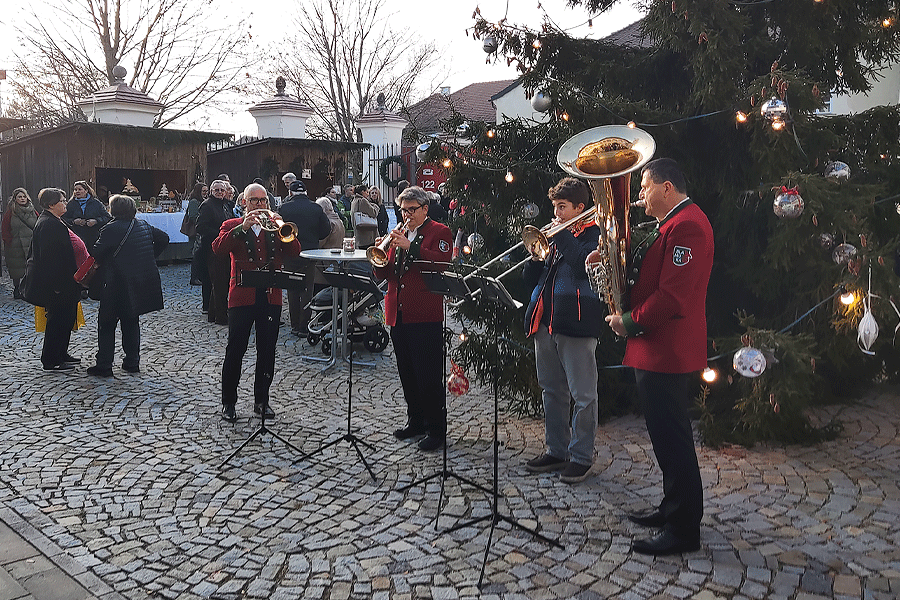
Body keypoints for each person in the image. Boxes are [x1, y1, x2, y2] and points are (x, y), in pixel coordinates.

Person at [602, 158, 713, 556]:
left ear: (667, 187)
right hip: (655, 346)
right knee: (665, 438)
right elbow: (648, 274)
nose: (640, 195)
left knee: (673, 439)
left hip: (665, 346)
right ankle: (672, 508)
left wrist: (628, 323)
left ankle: (684, 529)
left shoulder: (686, 226)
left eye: (645, 187)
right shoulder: (672, 224)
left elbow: (671, 296)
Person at [522, 177, 603, 484]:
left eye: (562, 207)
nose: (555, 212)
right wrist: (535, 256)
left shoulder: (595, 234)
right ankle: (557, 450)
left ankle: (581, 456)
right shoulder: (556, 237)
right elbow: (533, 279)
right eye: (555, 206)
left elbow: (583, 265)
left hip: (577, 322)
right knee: (552, 390)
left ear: (580, 208)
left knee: (583, 395)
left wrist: (561, 235)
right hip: (545, 320)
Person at [212, 183, 300, 422]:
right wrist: (242, 227)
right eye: (254, 201)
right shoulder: (231, 225)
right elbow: (218, 249)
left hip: (270, 295)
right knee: (235, 350)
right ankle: (228, 402)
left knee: (267, 350)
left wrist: (282, 225)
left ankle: (262, 401)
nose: (260, 205)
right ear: (244, 202)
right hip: (241, 295)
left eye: (263, 201)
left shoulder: (275, 225)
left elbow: (294, 251)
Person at [373, 186, 452, 451]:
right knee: (407, 373)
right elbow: (384, 276)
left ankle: (436, 429)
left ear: (425, 209)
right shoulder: (398, 235)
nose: (406, 215)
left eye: (412, 210)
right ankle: (415, 421)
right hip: (398, 313)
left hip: (424, 314)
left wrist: (412, 245)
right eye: (403, 210)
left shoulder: (439, 231)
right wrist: (379, 256)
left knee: (428, 375)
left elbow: (441, 263)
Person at [87, 195, 169, 376]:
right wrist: (149, 256)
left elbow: (97, 253)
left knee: (107, 323)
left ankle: (104, 365)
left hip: (115, 281)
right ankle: (132, 361)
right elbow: (164, 238)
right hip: (137, 280)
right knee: (131, 321)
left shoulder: (110, 229)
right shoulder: (143, 225)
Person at [21, 188, 87, 371]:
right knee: (57, 321)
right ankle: (51, 359)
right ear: (51, 204)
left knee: (66, 319)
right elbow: (49, 259)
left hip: (67, 281)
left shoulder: (55, 220)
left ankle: (61, 353)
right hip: (58, 283)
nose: (65, 203)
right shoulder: (48, 224)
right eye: (62, 200)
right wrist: (57, 286)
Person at [278, 179, 331, 335]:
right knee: (307, 288)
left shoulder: (284, 208)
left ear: (290, 193)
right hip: (310, 253)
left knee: (292, 288)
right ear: (306, 192)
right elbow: (325, 230)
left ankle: (295, 324)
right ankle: (304, 324)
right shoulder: (316, 208)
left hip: (290, 253)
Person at [196, 180, 231, 324]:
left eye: (222, 190)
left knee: (219, 282)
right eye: (216, 190)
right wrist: (220, 234)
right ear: (211, 191)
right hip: (212, 248)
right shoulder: (207, 206)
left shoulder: (226, 205)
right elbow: (200, 227)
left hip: (224, 247)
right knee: (219, 282)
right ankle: (220, 316)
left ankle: (213, 314)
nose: (219, 192)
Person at [2, 188, 40, 299]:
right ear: (15, 199)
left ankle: (28, 289)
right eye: (19, 197)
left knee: (30, 268)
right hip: (15, 245)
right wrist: (9, 241)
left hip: (30, 243)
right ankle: (17, 289)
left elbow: (38, 225)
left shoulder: (32, 211)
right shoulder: (11, 212)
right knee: (16, 269)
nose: (22, 199)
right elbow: (5, 228)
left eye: (24, 196)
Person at [62, 180, 111, 253]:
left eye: (80, 189)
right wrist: (74, 221)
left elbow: (107, 217)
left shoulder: (96, 203)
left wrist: (96, 221)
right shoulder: (70, 204)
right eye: (75, 190)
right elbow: (63, 218)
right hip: (77, 238)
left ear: (86, 191)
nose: (77, 191)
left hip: (93, 238)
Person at [186, 183, 208, 286]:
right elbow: (193, 216)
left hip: (200, 231)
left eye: (206, 191)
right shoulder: (194, 202)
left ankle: (199, 276)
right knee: (196, 254)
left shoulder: (202, 201)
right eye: (203, 191)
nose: (205, 193)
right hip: (196, 232)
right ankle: (194, 278)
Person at [350, 184, 379, 249]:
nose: (368, 194)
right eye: (367, 192)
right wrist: (376, 207)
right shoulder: (362, 201)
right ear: (363, 192)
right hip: (367, 236)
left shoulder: (354, 201)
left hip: (359, 235)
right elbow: (373, 213)